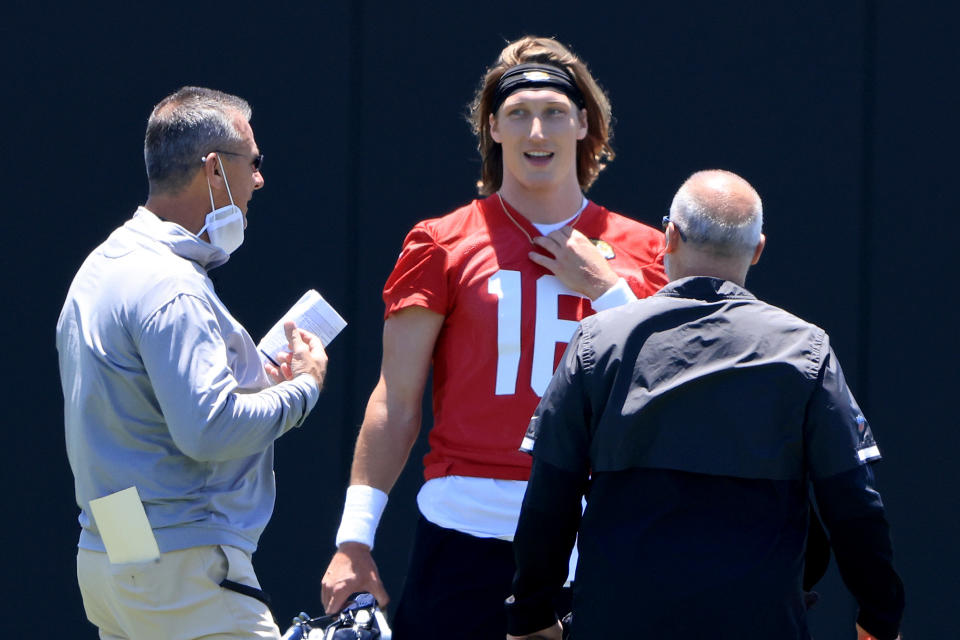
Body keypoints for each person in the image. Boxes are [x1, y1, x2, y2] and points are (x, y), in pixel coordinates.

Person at [321, 36, 668, 638]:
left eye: (555, 112)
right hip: (466, 532)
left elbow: (668, 393)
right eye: (518, 115)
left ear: (583, 122)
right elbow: (395, 400)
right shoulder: (442, 241)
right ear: (493, 128)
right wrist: (354, 538)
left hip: (599, 533)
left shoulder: (645, 251)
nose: (538, 131)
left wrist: (610, 288)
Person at [506, 170, 905, 640]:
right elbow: (854, 503)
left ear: (669, 237)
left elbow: (551, 493)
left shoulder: (599, 340)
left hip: (618, 622)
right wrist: (879, 617)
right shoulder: (804, 350)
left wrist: (531, 614)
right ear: (758, 249)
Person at [57, 86, 329, 640]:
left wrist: (254, 386)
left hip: (116, 553)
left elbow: (148, 413)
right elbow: (208, 430)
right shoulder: (171, 284)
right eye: (252, 163)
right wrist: (302, 389)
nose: (258, 181)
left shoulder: (102, 266)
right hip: (181, 572)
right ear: (214, 170)